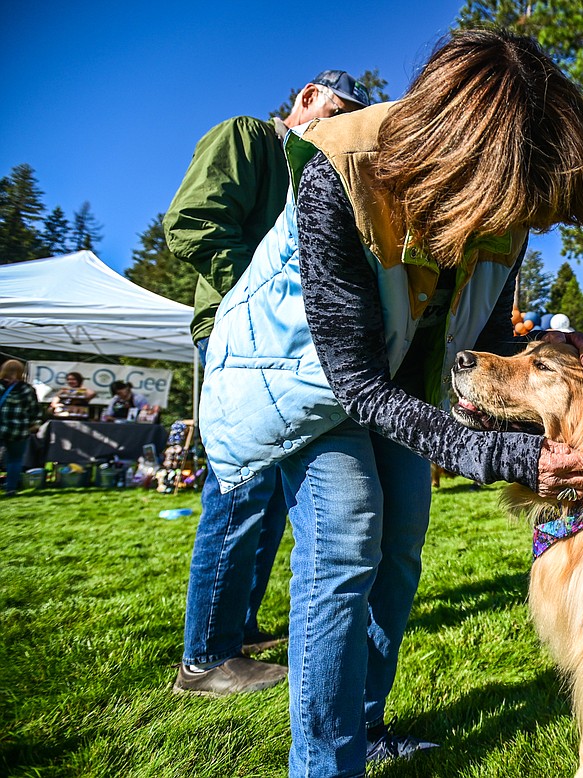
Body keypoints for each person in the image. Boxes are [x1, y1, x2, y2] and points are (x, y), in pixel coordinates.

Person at [198, 30, 583, 777]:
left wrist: (548, 344)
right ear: (473, 156)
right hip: (301, 376)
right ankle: (325, 764)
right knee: (348, 538)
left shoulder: (501, 210)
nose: (535, 225)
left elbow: (474, 334)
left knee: (403, 547)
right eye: (529, 203)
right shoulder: (339, 171)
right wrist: (503, 454)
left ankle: (363, 727)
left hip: (394, 386)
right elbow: (352, 384)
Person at [165, 70, 371, 699]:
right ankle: (206, 658)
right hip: (236, 335)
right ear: (307, 97)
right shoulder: (248, 139)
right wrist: (254, 301)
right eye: (336, 113)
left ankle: (241, 624)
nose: (339, 129)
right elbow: (192, 222)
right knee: (240, 490)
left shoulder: (316, 170)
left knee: (271, 495)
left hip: (283, 350)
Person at [1, 360, 43, 497]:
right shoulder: (27, 389)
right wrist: (34, 424)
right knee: (15, 459)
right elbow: (34, 411)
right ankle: (11, 488)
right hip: (18, 430)